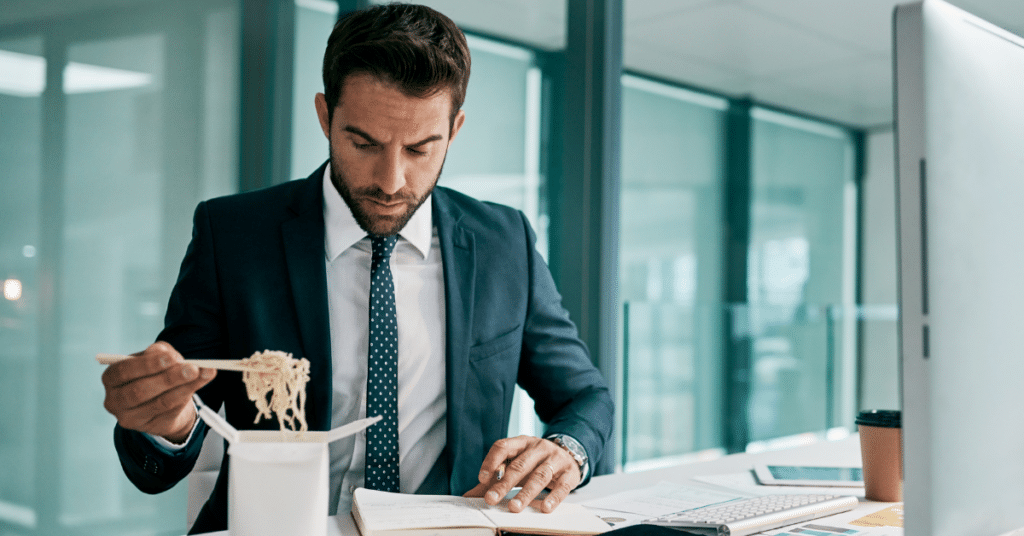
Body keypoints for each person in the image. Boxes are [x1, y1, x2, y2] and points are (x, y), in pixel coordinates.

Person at [100, 3, 613, 534]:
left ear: (454, 130)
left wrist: (566, 450)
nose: (391, 181)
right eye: (363, 143)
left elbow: (585, 397)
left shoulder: (503, 243)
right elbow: (173, 424)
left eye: (419, 148)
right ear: (325, 116)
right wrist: (167, 424)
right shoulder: (232, 235)